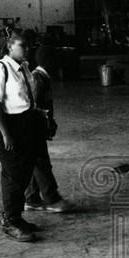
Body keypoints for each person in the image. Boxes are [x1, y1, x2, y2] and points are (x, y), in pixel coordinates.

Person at [0, 28, 43, 242]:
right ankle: (10, 221)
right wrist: (6, 134)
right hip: (4, 125)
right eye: (22, 45)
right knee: (14, 173)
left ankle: (15, 216)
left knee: (24, 171)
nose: (27, 49)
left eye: (29, 45)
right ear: (10, 46)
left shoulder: (24, 67)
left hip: (24, 123)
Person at [24, 40, 72, 214]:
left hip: (36, 128)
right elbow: (33, 106)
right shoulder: (37, 79)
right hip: (32, 129)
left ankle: (31, 198)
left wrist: (50, 122)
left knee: (34, 162)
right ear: (49, 62)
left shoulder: (44, 78)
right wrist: (44, 123)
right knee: (41, 162)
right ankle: (52, 199)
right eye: (56, 60)